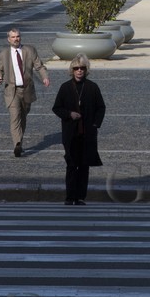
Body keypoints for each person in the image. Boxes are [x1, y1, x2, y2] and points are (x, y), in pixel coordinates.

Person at [51, 54, 105, 205]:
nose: (79, 71)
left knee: (84, 166)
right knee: (71, 165)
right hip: (71, 133)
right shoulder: (65, 87)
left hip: (87, 134)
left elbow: (101, 108)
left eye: (82, 68)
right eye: (76, 68)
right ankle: (70, 196)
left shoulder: (92, 87)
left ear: (86, 70)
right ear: (72, 70)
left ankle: (80, 196)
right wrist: (69, 114)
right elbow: (56, 108)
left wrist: (95, 124)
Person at [0, 28, 51, 157]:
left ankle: (20, 141)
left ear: (20, 37)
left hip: (27, 89)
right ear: (8, 39)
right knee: (15, 117)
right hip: (12, 91)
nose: (16, 39)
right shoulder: (4, 54)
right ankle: (17, 144)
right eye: (13, 37)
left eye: (17, 36)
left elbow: (39, 66)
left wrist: (44, 77)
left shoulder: (29, 50)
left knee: (23, 117)